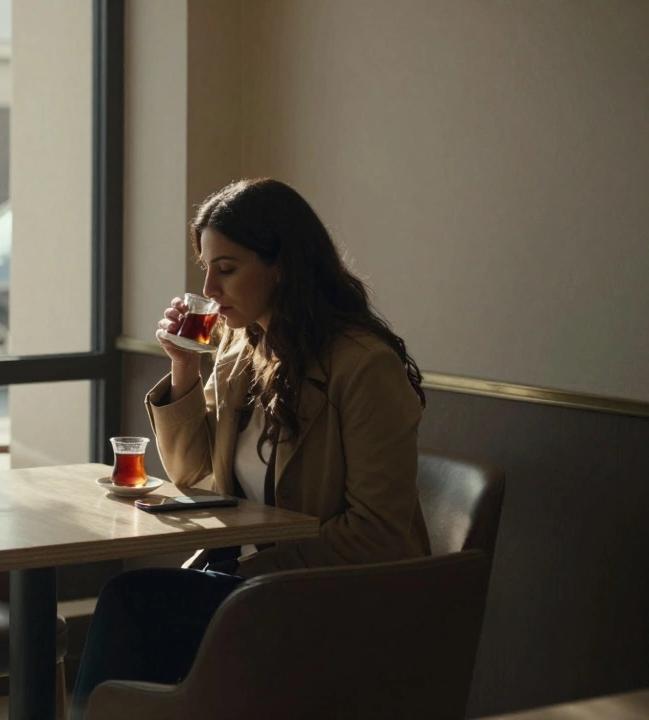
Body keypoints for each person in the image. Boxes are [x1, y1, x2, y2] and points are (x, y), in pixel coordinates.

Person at [69, 178, 430, 718]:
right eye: (206, 268)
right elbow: (193, 476)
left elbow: (377, 534)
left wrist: (249, 577)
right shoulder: (242, 352)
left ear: (281, 265)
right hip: (257, 588)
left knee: (134, 606)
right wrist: (185, 366)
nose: (209, 287)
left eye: (227, 268)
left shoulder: (362, 366)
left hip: (335, 595)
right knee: (137, 608)